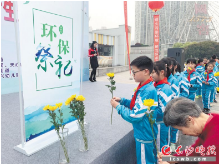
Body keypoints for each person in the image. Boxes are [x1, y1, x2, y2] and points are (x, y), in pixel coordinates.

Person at [110, 56, 158, 164]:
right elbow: (135, 105)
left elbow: (135, 115)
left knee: (145, 161)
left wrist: (118, 107)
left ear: (146, 71)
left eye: (134, 72)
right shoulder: (144, 87)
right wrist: (122, 100)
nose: (133, 74)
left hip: (144, 135)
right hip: (145, 132)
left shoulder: (147, 91)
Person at [158, 97, 219, 164]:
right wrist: (173, 158)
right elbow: (196, 152)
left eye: (180, 129)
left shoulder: (215, 138)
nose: (183, 133)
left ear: (189, 120)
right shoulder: (212, 121)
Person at [152, 61, 173, 152]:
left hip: (161, 124)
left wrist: (147, 111)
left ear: (162, 72)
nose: (151, 75)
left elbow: (163, 110)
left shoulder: (165, 88)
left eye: (153, 72)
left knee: (161, 147)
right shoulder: (156, 86)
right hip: (157, 123)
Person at [161, 57, 180, 152]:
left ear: (170, 67)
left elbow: (175, 98)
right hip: (163, 113)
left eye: (165, 67)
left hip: (170, 110)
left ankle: (172, 143)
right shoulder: (159, 81)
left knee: (172, 129)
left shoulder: (173, 81)